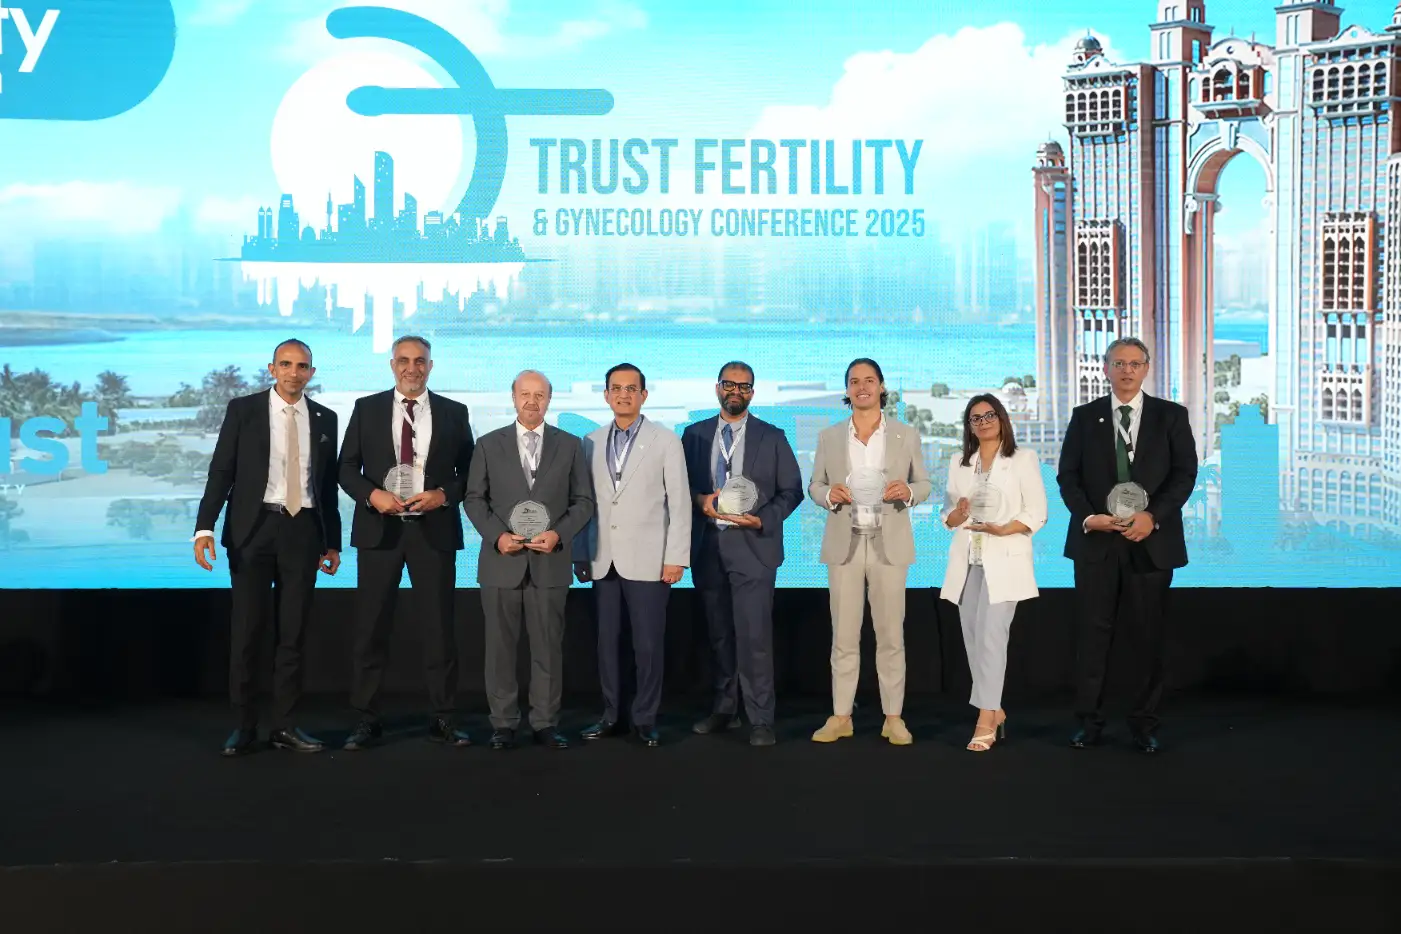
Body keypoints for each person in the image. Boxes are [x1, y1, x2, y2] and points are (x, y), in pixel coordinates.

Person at [193, 339, 341, 756]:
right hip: (253, 530)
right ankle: (244, 726)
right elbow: (222, 470)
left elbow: (326, 486)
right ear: (272, 369)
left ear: (311, 372)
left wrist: (331, 542)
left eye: (302, 366)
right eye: (286, 364)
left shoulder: (325, 418)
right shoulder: (244, 410)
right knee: (247, 632)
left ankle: (285, 727)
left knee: (293, 634)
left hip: (303, 532)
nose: (294, 372)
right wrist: (203, 528)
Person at [1056, 337, 1197, 753]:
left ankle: (1144, 724)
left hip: (1150, 542)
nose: (1127, 370)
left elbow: (1185, 474)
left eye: (1135, 363)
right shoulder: (1085, 417)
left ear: (1146, 369)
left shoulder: (1171, 416)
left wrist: (1153, 516)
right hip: (1097, 542)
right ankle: (1089, 722)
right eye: (1119, 363)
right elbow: (1068, 477)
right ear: (1105, 369)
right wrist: (1089, 518)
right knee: (1092, 637)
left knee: (1147, 637)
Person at [336, 335, 476, 750]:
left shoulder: (454, 412)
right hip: (379, 531)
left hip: (434, 531)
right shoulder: (366, 408)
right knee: (370, 628)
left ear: (430, 366)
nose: (411, 368)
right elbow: (346, 468)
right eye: (403, 360)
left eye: (419, 361)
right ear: (392, 364)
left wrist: (443, 495)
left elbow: (470, 472)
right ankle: (366, 719)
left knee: (439, 628)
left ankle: (444, 717)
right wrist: (371, 495)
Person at [463, 370, 594, 750]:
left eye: (539, 395)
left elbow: (583, 502)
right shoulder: (488, 444)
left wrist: (559, 535)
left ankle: (545, 723)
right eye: (525, 394)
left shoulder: (570, 445)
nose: (532, 401)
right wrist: (498, 536)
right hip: (501, 562)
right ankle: (503, 724)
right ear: (513, 397)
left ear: (549, 400)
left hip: (549, 562)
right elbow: (474, 499)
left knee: (548, 649)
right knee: (500, 650)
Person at [806, 358, 930, 746]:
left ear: (881, 387)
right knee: (843, 636)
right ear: (847, 390)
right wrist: (829, 494)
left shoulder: (906, 435)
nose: (862, 387)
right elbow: (814, 485)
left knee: (891, 636)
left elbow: (924, 483)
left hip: (889, 545)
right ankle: (841, 716)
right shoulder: (829, 437)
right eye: (855, 381)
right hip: (844, 545)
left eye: (869, 380)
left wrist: (908, 492)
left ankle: (893, 717)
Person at [682, 361, 803, 747]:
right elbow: (679, 487)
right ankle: (725, 709)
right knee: (719, 636)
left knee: (754, 637)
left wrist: (762, 519)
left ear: (753, 391)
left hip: (753, 547)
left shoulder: (772, 436)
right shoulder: (694, 435)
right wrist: (700, 500)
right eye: (729, 384)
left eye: (744, 386)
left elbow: (792, 491)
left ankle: (761, 718)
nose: (736, 391)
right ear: (717, 387)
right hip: (709, 547)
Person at [573, 363, 691, 747]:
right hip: (602, 557)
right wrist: (580, 553)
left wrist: (677, 557)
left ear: (643, 395)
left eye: (631, 389)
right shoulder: (590, 441)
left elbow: (680, 503)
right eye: (616, 388)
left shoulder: (665, 440)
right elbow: (584, 503)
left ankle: (645, 719)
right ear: (606, 395)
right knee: (607, 644)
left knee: (648, 645)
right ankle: (611, 715)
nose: (623, 395)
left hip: (651, 559)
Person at [940, 393, 1047, 752]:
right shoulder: (959, 462)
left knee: (991, 637)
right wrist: (957, 514)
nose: (983, 422)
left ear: (1001, 418)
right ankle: (996, 709)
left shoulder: (1022, 458)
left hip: (1005, 558)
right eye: (976, 418)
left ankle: (985, 716)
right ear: (969, 426)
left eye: (989, 415)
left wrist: (1005, 529)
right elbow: (948, 514)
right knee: (973, 637)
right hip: (969, 558)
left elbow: (1037, 512)